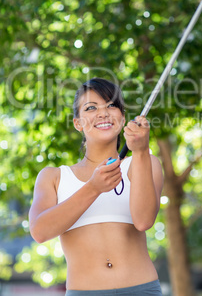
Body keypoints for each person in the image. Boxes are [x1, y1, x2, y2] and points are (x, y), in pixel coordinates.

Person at [29, 77, 164, 295]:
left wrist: (140, 152)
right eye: (91, 108)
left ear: (122, 118)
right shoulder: (53, 177)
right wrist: (93, 188)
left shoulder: (145, 162)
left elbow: (144, 221)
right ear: (78, 123)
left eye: (111, 105)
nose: (103, 113)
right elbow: (40, 231)